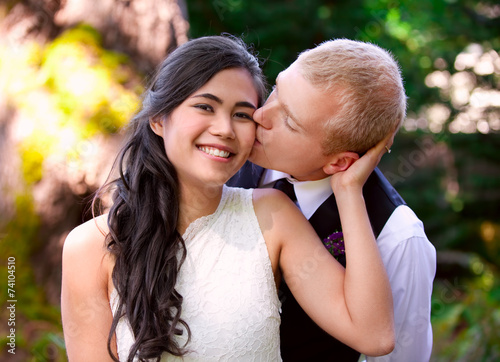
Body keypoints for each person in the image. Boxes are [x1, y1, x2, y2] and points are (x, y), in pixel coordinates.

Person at [61, 35, 396, 361]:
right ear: (159, 118)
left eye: (241, 114)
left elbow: (375, 335)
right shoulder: (90, 248)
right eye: (205, 106)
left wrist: (349, 189)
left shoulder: (272, 216)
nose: (224, 129)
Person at [228, 38, 437, 362]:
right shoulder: (219, 156)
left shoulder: (398, 236)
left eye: (290, 121)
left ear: (339, 163)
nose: (261, 116)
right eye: (278, 90)